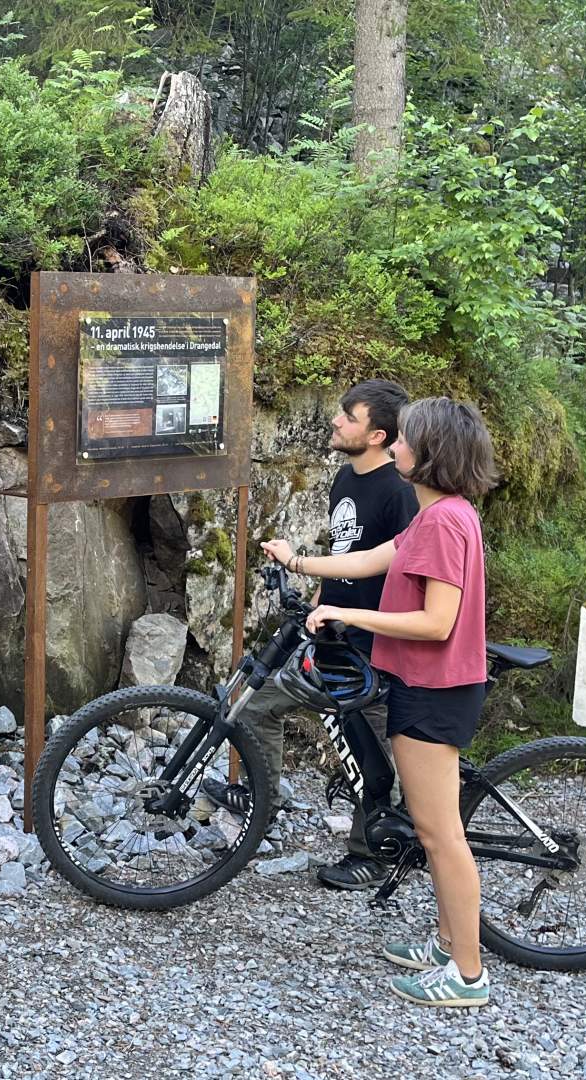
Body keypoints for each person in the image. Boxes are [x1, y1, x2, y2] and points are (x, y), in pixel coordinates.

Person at [264, 396, 500, 1008]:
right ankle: (447, 946)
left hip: (435, 689)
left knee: (440, 835)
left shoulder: (444, 522)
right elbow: (374, 559)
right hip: (427, 685)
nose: (395, 446)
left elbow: (437, 622)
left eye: (405, 439)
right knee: (434, 831)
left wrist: (350, 613)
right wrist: (300, 562)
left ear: (430, 452)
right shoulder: (438, 512)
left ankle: (467, 975)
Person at [202, 380, 416, 892]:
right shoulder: (345, 479)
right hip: (330, 635)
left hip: (373, 649)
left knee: (368, 752)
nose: (336, 421)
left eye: (349, 417)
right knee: (257, 704)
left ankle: (371, 854)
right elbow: (344, 553)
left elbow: (404, 570)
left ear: (377, 435)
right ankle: (265, 797)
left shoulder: (400, 493)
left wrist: (359, 617)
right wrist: (318, 602)